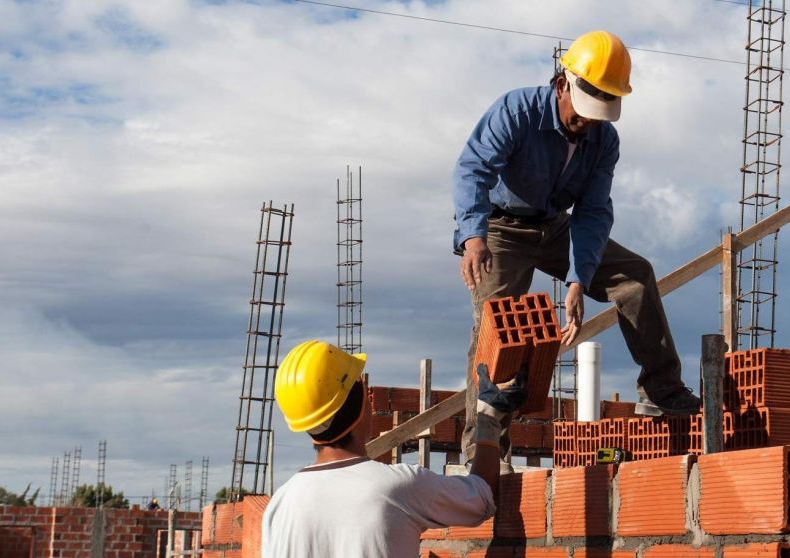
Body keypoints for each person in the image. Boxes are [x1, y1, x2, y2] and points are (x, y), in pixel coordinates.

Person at [452, 30, 701, 463]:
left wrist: (577, 280)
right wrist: (473, 237)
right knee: (498, 327)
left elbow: (593, 212)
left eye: (600, 110)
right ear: (563, 83)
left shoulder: (604, 141)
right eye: (585, 109)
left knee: (635, 277)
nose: (588, 121)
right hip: (501, 229)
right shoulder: (517, 110)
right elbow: (473, 170)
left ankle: (662, 391)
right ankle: (485, 451)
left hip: (555, 226)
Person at [261, 340, 528, 558]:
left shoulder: (279, 505)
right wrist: (489, 418)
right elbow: (481, 497)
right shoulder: (395, 488)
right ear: (359, 404)